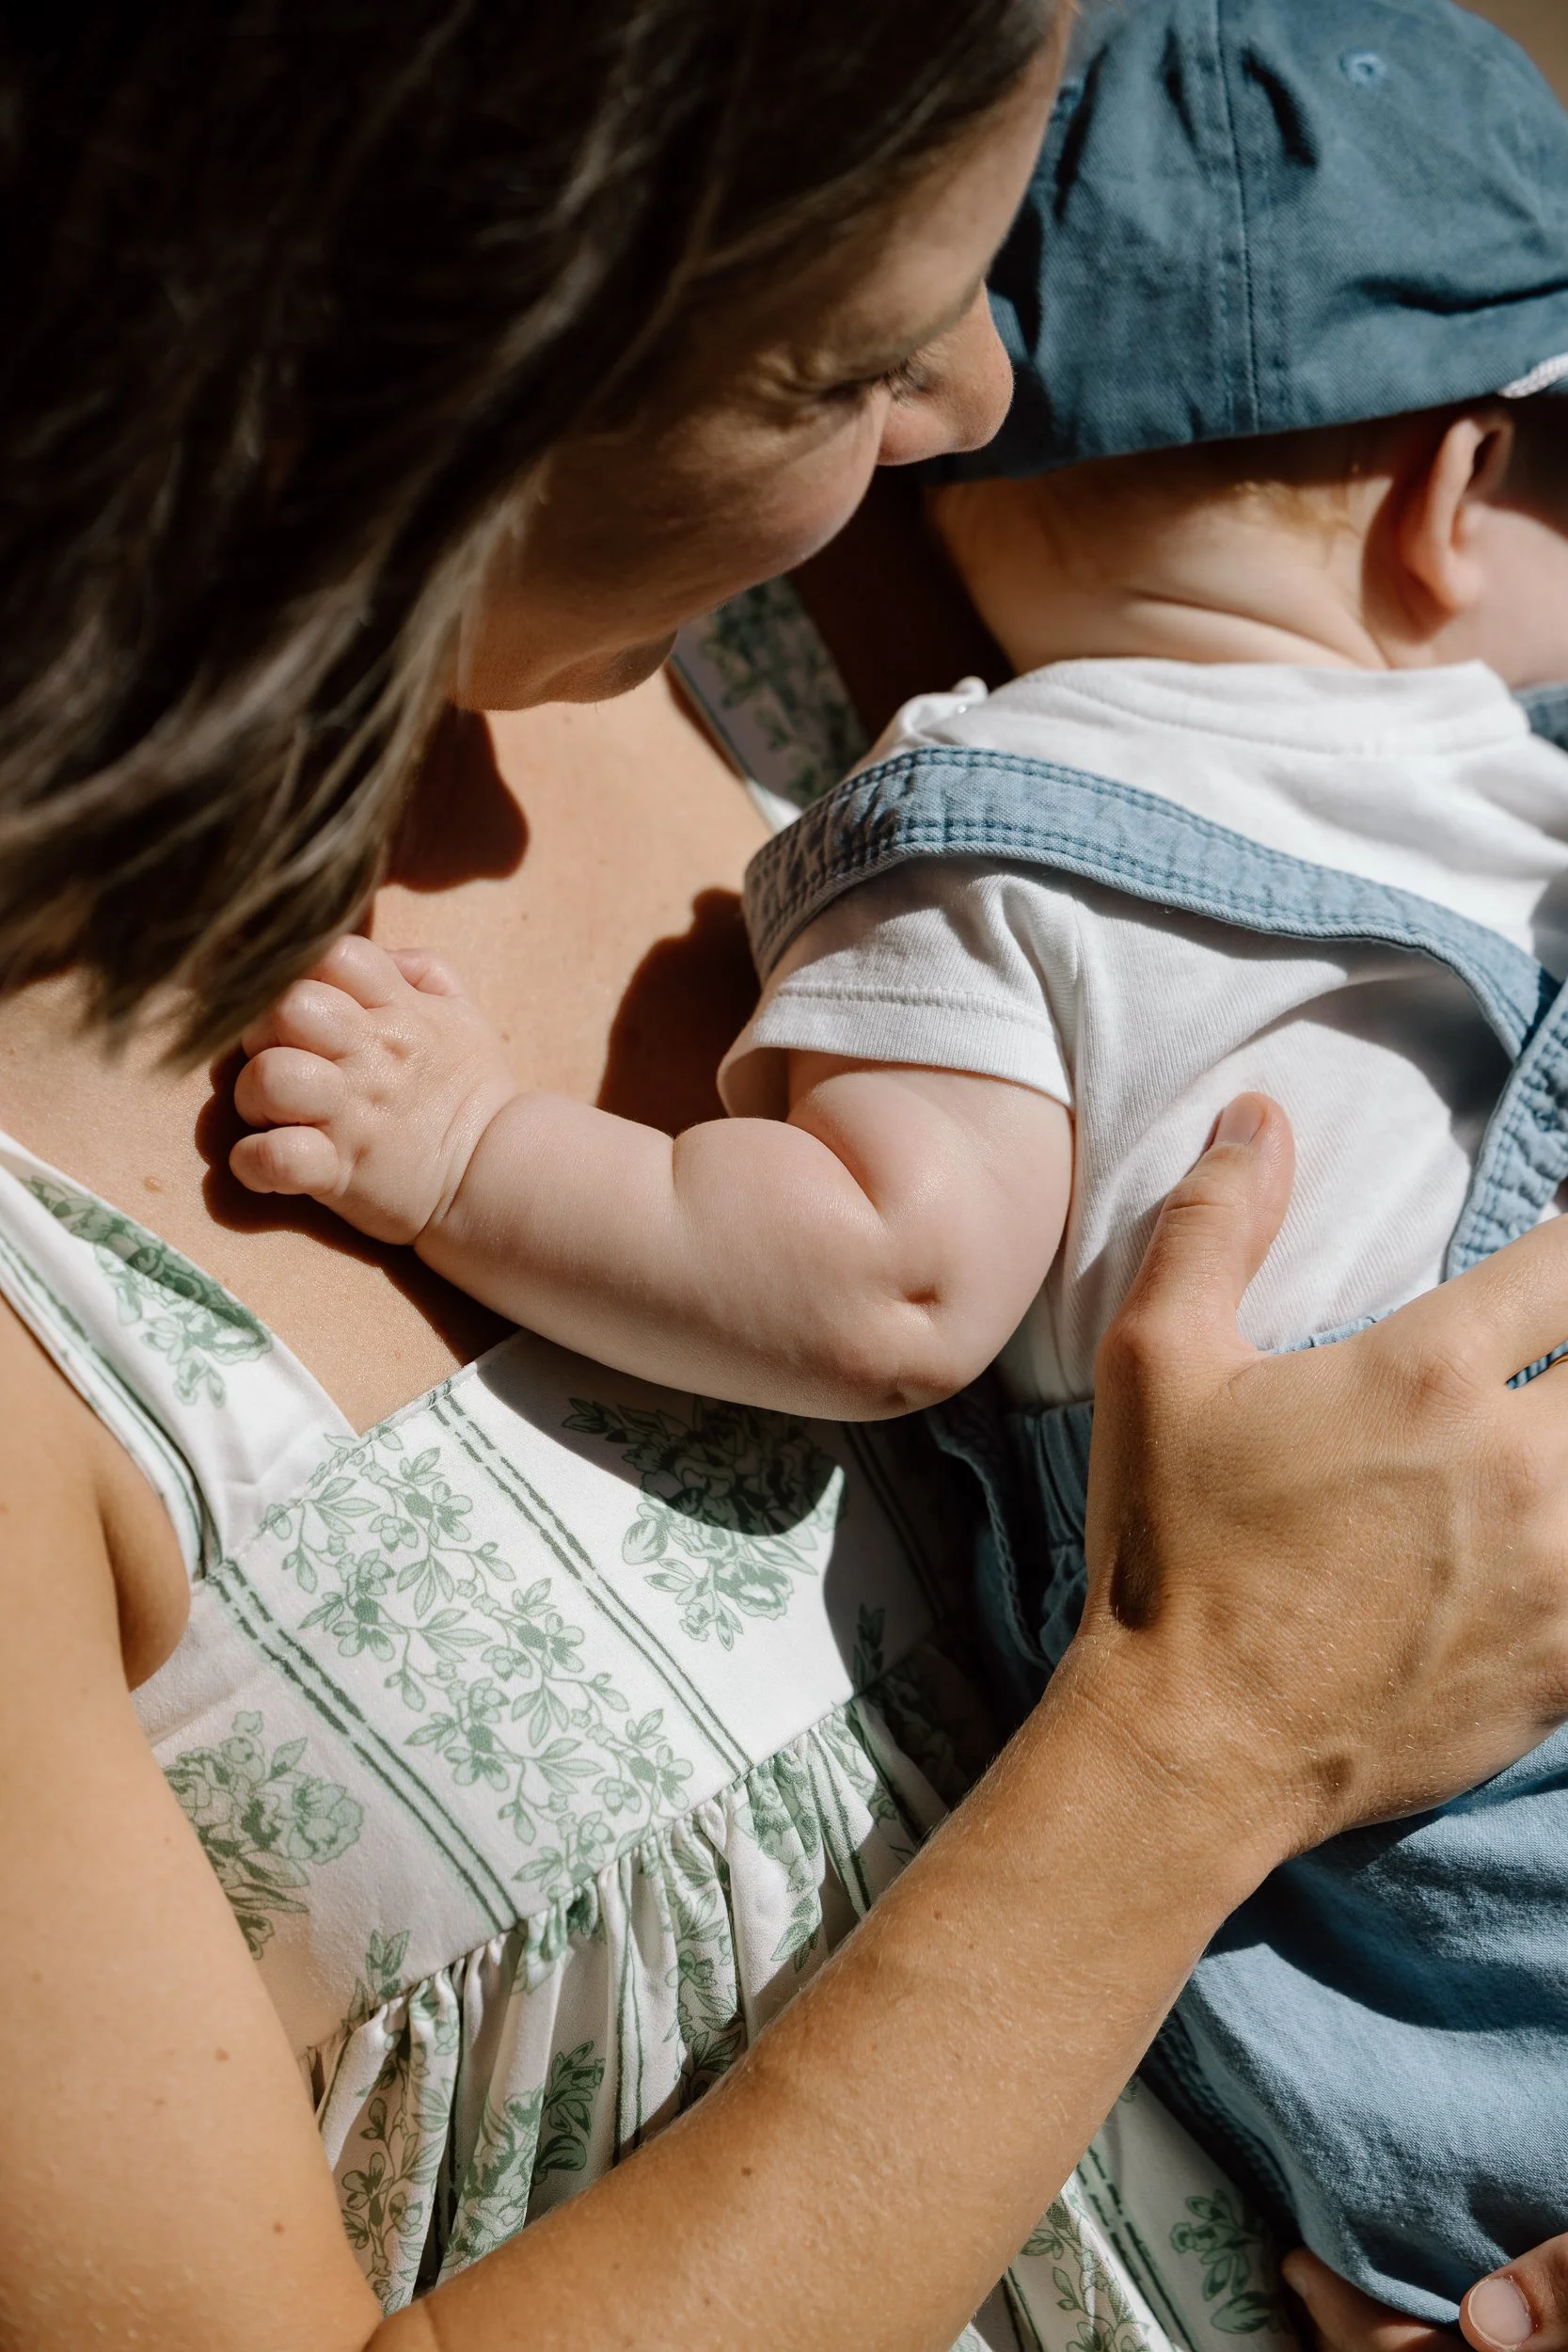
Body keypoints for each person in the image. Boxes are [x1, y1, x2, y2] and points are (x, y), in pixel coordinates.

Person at [8, 8, 1568, 2352]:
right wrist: (1208, 1730)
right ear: (432, 340)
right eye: (843, 360)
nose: (982, 395)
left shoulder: (807, 643)